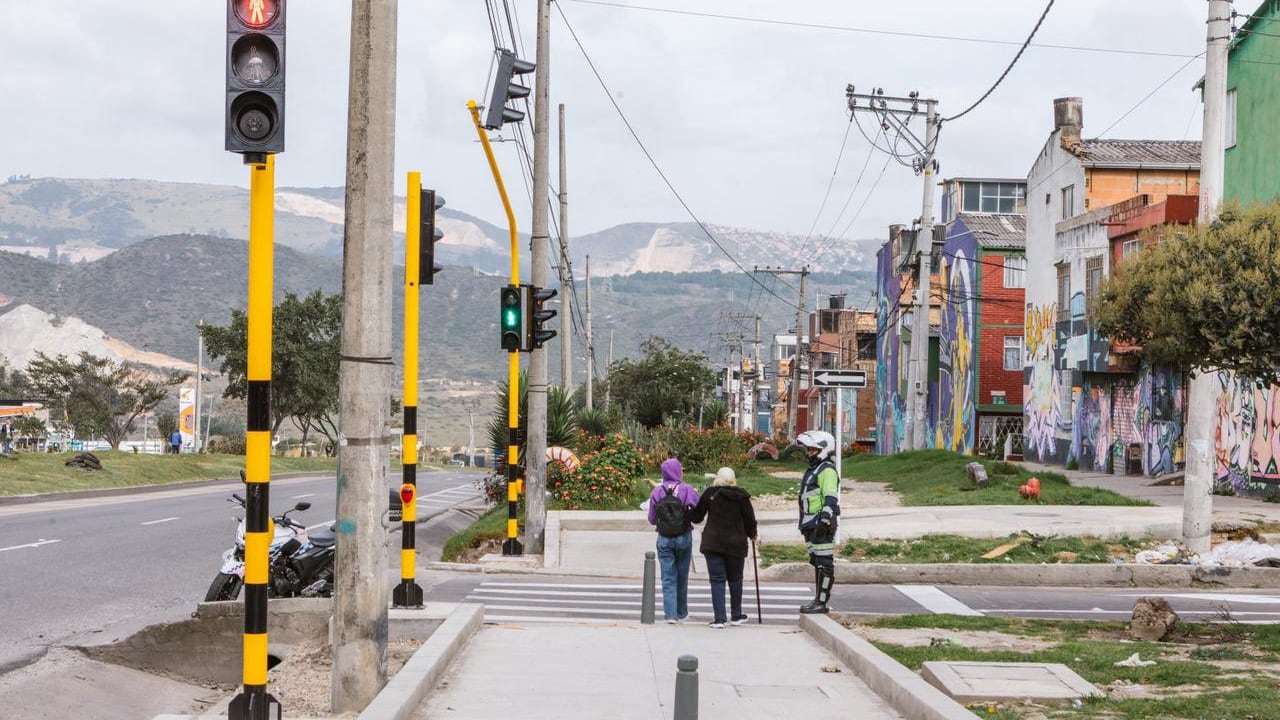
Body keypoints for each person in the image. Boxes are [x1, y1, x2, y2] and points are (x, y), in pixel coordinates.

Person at [689, 466, 757, 628]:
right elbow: (749, 520)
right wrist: (752, 534)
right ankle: (736, 615)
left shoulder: (710, 493)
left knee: (717, 580)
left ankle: (719, 619)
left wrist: (689, 507)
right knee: (735, 579)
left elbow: (697, 517)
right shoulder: (742, 496)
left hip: (713, 543)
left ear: (718, 478)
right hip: (736, 543)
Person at [647, 457, 699, 623]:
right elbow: (696, 511)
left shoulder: (657, 491)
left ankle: (670, 614)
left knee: (668, 577)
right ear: (677, 471)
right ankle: (682, 613)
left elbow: (651, 518)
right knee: (682, 576)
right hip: (684, 536)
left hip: (664, 538)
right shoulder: (687, 489)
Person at [796, 430, 840, 614]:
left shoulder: (827, 470)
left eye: (814, 450)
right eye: (809, 449)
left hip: (821, 524)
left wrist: (824, 519)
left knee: (825, 563)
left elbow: (831, 497)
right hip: (810, 524)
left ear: (823, 449)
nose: (810, 453)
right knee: (817, 561)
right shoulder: (814, 470)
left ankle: (822, 602)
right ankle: (817, 600)